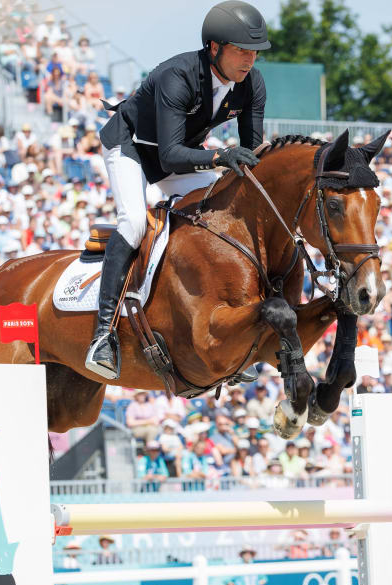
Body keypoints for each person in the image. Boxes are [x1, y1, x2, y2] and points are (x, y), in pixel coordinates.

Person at [85, 0, 269, 379]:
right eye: (241, 51)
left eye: (254, 52)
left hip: (181, 156)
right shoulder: (177, 75)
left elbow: (252, 155)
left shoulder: (251, 84)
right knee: (135, 222)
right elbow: (168, 157)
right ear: (214, 48)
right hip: (132, 147)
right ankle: (102, 334)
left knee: (225, 206)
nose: (249, 60)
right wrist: (219, 157)